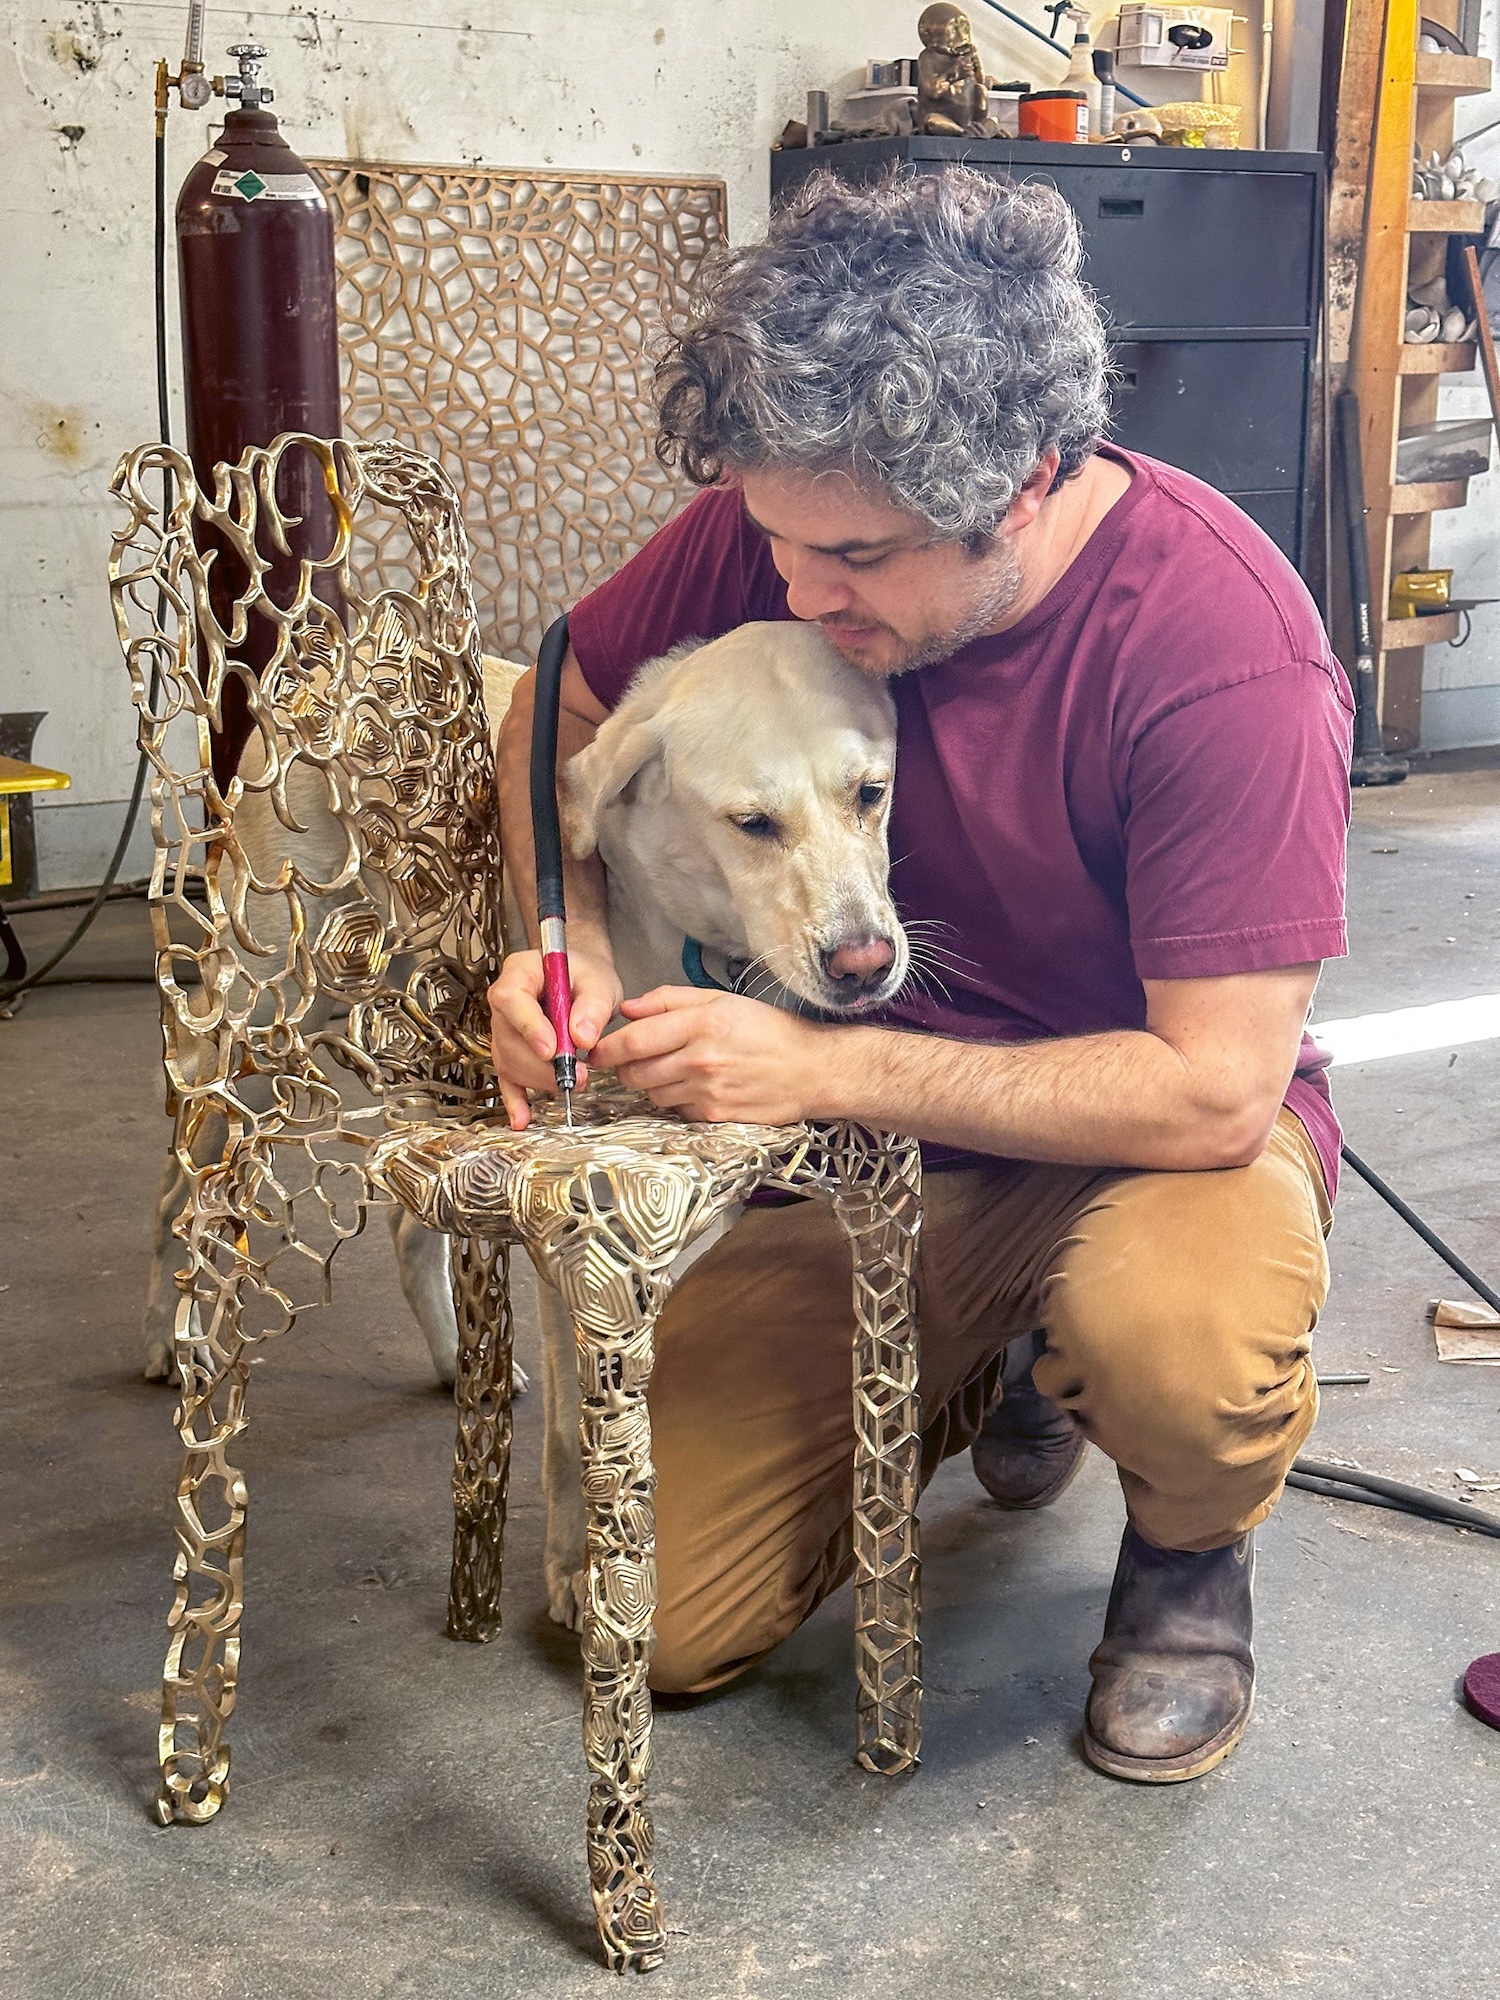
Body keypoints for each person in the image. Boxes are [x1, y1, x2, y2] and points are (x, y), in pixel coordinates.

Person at [490, 165, 1351, 1784]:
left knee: (1173, 1339)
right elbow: (555, 724)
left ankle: (1186, 1550)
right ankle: (998, 1363)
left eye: (861, 560)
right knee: (659, 1626)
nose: (802, 594)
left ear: (1024, 484)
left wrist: (821, 1069)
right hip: (883, 1165)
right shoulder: (795, 528)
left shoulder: (1222, 652)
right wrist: (571, 942)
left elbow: (1214, 1085)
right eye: (781, 544)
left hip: (1148, 1141)